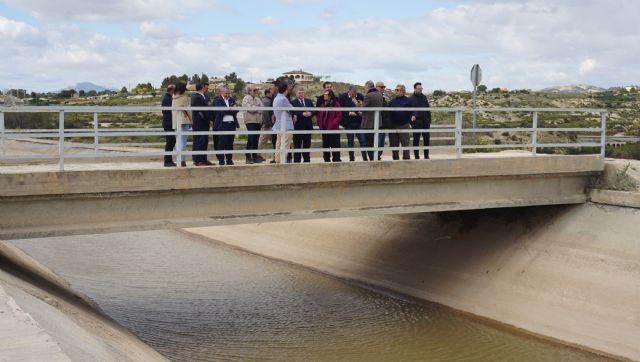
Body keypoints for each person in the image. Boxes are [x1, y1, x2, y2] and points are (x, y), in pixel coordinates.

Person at [213, 87, 240, 165]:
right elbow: (220, 111)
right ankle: (221, 161)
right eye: (226, 93)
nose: (227, 95)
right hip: (222, 124)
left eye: (228, 93)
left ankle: (229, 160)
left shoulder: (232, 99)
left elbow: (236, 110)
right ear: (222, 93)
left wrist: (228, 110)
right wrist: (230, 109)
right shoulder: (218, 100)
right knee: (221, 143)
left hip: (231, 124)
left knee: (230, 143)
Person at [338, 86, 365, 161]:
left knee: (362, 140)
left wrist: (358, 105)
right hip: (348, 122)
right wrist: (349, 113)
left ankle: (365, 158)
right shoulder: (342, 97)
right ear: (349, 91)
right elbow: (341, 109)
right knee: (350, 141)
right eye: (353, 93)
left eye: (355, 92)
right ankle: (351, 158)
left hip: (359, 122)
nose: (354, 94)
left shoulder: (360, 96)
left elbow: (363, 108)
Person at [272, 79, 294, 164]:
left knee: (279, 144)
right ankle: (282, 161)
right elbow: (291, 109)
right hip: (286, 125)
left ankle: (277, 160)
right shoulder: (283, 99)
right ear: (286, 89)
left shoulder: (276, 98)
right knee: (285, 144)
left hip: (278, 125)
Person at [317, 89, 342, 162]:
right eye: (324, 94)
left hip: (333, 129)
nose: (324, 96)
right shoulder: (322, 104)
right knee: (325, 146)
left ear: (330, 96)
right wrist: (319, 124)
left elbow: (339, 116)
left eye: (326, 94)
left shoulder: (336, 104)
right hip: (324, 129)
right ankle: (326, 160)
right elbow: (319, 116)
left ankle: (336, 161)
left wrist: (331, 124)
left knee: (335, 146)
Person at [361, 80, 383, 161]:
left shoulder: (368, 95)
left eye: (365, 88)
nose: (365, 90)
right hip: (377, 123)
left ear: (368, 87)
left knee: (369, 143)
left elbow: (363, 109)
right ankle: (376, 157)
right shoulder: (380, 95)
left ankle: (372, 159)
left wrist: (357, 104)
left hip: (368, 124)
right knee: (376, 142)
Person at [409, 82, 432, 159]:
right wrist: (411, 121)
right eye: (419, 89)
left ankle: (426, 155)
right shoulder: (411, 99)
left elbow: (428, 109)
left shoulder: (424, 97)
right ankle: (416, 156)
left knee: (426, 140)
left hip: (425, 122)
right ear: (415, 89)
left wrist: (429, 120)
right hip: (416, 123)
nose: (420, 90)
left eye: (421, 89)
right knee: (416, 140)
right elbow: (408, 112)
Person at [291, 87, 314, 163]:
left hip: (308, 126)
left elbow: (314, 110)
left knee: (307, 145)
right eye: (299, 92)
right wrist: (302, 114)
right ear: (296, 93)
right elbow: (292, 112)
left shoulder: (309, 101)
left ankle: (307, 161)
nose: (301, 94)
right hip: (298, 127)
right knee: (297, 145)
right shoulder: (293, 102)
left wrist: (311, 113)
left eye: (302, 92)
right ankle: (297, 161)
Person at [191, 82, 213, 166]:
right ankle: (198, 160)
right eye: (206, 87)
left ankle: (203, 159)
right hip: (199, 123)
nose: (207, 89)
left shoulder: (204, 96)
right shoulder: (196, 97)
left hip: (204, 123)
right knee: (199, 141)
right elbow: (200, 111)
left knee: (204, 141)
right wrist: (208, 119)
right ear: (202, 87)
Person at [389, 84, 412, 160]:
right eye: (396, 90)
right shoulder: (392, 101)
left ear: (403, 91)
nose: (396, 91)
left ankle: (406, 160)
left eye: (398, 90)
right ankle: (395, 160)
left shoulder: (408, 101)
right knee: (394, 145)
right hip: (393, 126)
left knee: (405, 144)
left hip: (404, 125)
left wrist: (413, 117)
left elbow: (413, 111)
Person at [242, 85, 264, 164]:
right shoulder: (245, 99)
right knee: (251, 139)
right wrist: (257, 107)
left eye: (256, 90)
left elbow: (262, 108)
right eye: (254, 90)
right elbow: (251, 109)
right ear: (249, 91)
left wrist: (255, 107)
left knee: (256, 139)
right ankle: (248, 157)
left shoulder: (258, 99)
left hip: (258, 121)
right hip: (250, 121)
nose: (256, 91)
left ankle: (254, 156)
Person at [171, 82, 192, 166]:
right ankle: (182, 160)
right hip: (184, 121)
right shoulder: (184, 98)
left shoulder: (173, 98)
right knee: (183, 142)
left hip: (176, 122)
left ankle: (178, 159)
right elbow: (188, 110)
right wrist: (191, 120)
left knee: (178, 142)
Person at [258, 84, 277, 162]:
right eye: (271, 92)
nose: (272, 93)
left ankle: (275, 156)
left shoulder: (268, 100)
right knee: (263, 140)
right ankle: (257, 155)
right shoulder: (266, 101)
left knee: (274, 141)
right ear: (268, 93)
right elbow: (266, 114)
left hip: (270, 125)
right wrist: (268, 123)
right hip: (268, 125)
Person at [161, 84, 176, 167]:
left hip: (168, 123)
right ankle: (167, 161)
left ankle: (169, 160)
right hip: (168, 123)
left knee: (171, 141)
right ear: (172, 90)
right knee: (170, 141)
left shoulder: (167, 98)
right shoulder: (168, 99)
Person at [376, 81, 391, 160]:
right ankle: (376, 156)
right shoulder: (375, 97)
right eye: (381, 87)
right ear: (376, 87)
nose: (383, 89)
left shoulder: (383, 98)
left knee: (381, 143)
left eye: (384, 87)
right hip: (377, 125)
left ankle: (378, 156)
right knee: (378, 142)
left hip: (383, 125)